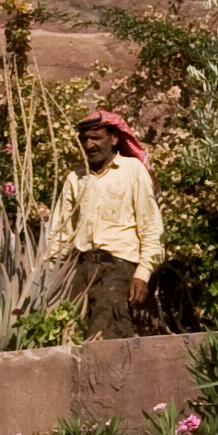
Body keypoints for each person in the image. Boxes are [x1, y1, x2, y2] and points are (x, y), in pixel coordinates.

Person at [41, 110, 164, 340]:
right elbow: (61, 231)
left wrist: (143, 273)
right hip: (81, 269)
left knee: (105, 336)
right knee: (68, 335)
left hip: (118, 269)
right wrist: (50, 273)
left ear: (114, 138)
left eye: (96, 138)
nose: (90, 145)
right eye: (85, 139)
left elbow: (151, 227)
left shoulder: (132, 171)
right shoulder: (75, 178)